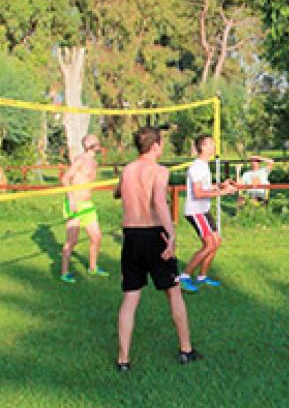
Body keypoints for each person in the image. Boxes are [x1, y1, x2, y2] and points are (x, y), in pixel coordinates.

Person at [114, 126, 201, 370]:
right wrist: (171, 235)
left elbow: (116, 193)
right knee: (174, 292)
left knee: (130, 298)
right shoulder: (159, 171)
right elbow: (159, 202)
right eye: (161, 144)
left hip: (131, 236)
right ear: (155, 146)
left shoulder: (127, 170)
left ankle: (123, 360)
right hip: (154, 235)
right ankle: (186, 349)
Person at [179, 134, 237, 293]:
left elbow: (205, 186)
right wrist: (223, 193)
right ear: (203, 147)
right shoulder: (197, 167)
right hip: (195, 211)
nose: (214, 146)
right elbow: (198, 193)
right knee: (209, 244)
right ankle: (183, 277)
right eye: (211, 144)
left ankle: (202, 277)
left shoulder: (203, 166)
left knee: (216, 241)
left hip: (203, 210)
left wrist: (220, 185)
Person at [60, 134, 107, 282]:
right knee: (71, 241)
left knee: (97, 237)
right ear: (90, 145)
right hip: (75, 204)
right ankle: (64, 272)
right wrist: (71, 200)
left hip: (88, 205)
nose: (99, 144)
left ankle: (93, 267)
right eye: (96, 141)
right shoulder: (80, 160)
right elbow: (65, 179)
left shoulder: (94, 162)